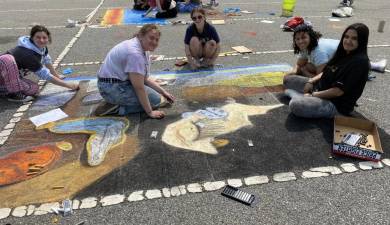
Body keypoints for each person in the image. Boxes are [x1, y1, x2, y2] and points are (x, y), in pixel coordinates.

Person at [283, 23, 370, 118]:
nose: (348, 41)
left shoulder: (360, 62)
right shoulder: (343, 52)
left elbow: (337, 92)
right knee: (288, 80)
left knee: (295, 105)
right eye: (346, 36)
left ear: (362, 41)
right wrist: (311, 81)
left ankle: (301, 97)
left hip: (334, 103)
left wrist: (313, 95)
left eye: (354, 38)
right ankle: (302, 96)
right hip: (322, 88)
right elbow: (325, 71)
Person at [95, 24, 175, 119]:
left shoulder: (141, 47)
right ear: (141, 36)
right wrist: (149, 112)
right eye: (151, 38)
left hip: (113, 83)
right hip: (111, 88)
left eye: (157, 40)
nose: (154, 42)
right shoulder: (135, 54)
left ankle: (116, 101)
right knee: (155, 101)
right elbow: (139, 87)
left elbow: (144, 79)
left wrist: (163, 91)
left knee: (156, 97)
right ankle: (116, 108)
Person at [0, 25, 78, 102]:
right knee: (7, 59)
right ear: (32, 38)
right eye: (38, 37)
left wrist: (56, 76)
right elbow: (45, 74)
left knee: (34, 89)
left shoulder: (41, 48)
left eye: (44, 37)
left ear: (48, 38)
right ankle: (14, 94)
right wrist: (69, 85)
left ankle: (4, 90)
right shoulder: (28, 54)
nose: (41, 40)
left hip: (7, 78)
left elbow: (47, 60)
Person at [285, 24, 387, 78]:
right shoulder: (305, 46)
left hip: (349, 55)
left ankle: (371, 67)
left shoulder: (319, 52)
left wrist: (305, 72)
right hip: (338, 55)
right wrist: (292, 72)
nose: (300, 41)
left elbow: (320, 78)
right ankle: (373, 65)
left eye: (303, 38)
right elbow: (299, 64)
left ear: (311, 37)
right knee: (306, 66)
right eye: (297, 39)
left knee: (309, 70)